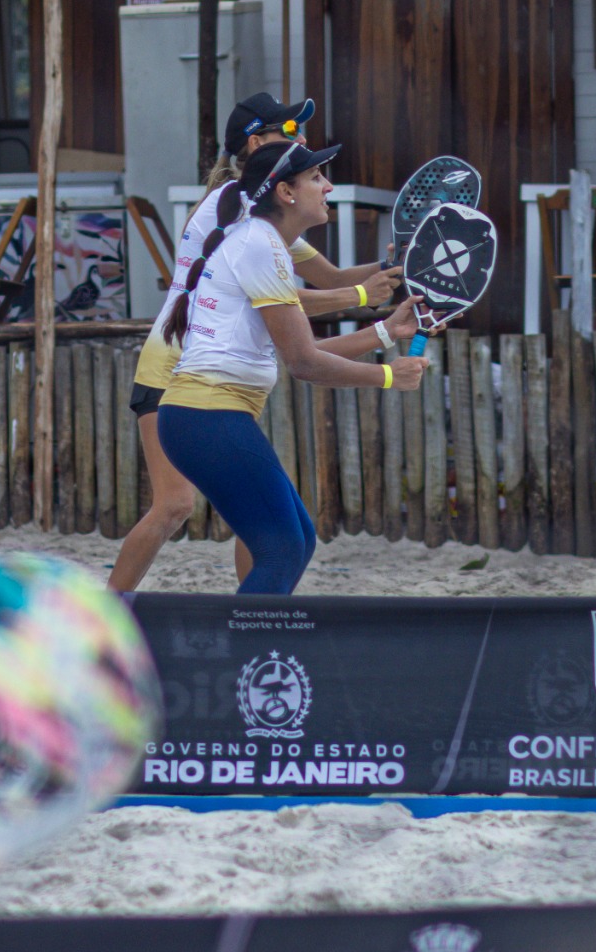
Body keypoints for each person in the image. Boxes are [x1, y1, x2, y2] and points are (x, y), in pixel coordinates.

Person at [109, 94, 397, 592]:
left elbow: (326, 276)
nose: (302, 139)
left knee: (258, 516)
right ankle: (112, 612)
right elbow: (290, 299)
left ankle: (262, 605)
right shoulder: (244, 209)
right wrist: (359, 298)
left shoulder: (264, 205)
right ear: (256, 143)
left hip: (219, 368)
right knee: (176, 505)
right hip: (177, 363)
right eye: (290, 129)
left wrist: (397, 266)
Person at [155, 140, 426, 594]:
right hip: (204, 418)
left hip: (204, 418)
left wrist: (385, 333)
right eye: (317, 178)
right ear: (286, 191)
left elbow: (302, 350)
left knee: (297, 541)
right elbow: (304, 362)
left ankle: (254, 652)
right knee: (282, 547)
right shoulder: (259, 245)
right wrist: (386, 375)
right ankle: (247, 659)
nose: (328, 186)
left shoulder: (263, 243)